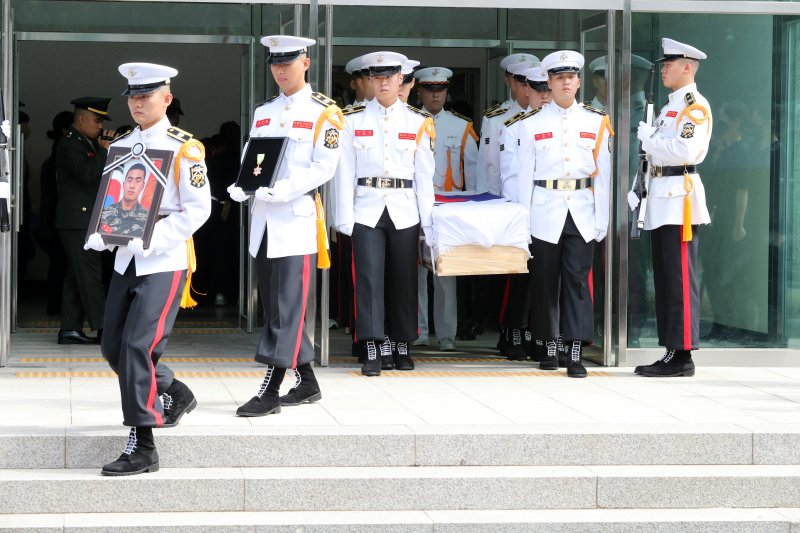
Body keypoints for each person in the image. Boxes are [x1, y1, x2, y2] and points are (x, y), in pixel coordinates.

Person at [84, 63, 210, 475]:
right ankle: (172, 388)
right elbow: (116, 198)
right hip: (126, 258)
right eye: (133, 96)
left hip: (164, 258)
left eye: (146, 95)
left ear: (166, 98)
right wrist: (102, 232)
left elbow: (198, 209)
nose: (138, 102)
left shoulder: (183, 147)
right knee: (112, 346)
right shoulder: (123, 144)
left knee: (138, 346)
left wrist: (152, 237)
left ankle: (143, 443)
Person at [227, 35, 343, 415]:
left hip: (295, 221)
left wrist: (285, 190)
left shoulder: (324, 112)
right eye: (275, 62)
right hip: (264, 223)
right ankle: (307, 382)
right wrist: (244, 185)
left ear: (305, 63)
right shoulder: (264, 111)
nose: (280, 69)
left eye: (288, 61)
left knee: (287, 307)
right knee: (277, 309)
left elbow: (325, 166)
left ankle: (270, 389)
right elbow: (253, 155)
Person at [507, 50, 613, 378]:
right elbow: (522, 177)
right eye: (559, 78)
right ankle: (549, 344)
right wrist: (521, 223)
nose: (566, 82)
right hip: (544, 209)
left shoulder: (596, 122)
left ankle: (575, 348)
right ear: (549, 83)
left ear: (579, 81)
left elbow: (603, 176)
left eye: (571, 77)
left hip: (581, 208)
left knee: (577, 282)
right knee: (544, 282)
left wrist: (602, 218)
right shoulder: (531, 125)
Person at [335, 50, 435, 376]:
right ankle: (373, 345)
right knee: (368, 278)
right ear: (369, 81)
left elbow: (424, 177)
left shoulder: (419, 122)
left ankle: (402, 343)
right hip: (366, 207)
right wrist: (343, 218)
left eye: (389, 77)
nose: (383, 82)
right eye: (377, 77)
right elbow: (344, 173)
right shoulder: (352, 119)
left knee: (404, 279)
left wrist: (429, 223)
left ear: (401, 80)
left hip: (405, 208)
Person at [630, 38, 712, 378]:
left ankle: (683, 354)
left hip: (680, 202)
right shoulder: (669, 107)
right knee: (664, 279)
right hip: (661, 198)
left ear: (687, 67)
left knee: (679, 279)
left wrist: (650, 139)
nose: (663, 68)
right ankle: (671, 349)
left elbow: (684, 151)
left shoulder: (695, 106)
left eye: (670, 63)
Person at [414, 66, 479, 352]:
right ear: (420, 91)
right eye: (429, 89)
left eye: (440, 90)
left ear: (447, 92)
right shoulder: (409, 120)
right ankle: (418, 331)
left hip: (447, 208)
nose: (435, 95)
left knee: (446, 276)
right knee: (414, 273)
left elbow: (474, 174)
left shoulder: (460, 126)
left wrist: (473, 209)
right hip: (415, 206)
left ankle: (446, 336)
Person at [54, 97, 115, 345]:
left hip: (82, 218)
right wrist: (103, 149)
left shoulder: (84, 141)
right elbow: (88, 175)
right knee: (90, 275)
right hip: (78, 219)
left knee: (76, 276)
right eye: (97, 120)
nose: (100, 126)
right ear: (82, 119)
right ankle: (104, 329)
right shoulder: (70, 144)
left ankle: (69, 329)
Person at [38, 110, 73, 315]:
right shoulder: (61, 158)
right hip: (59, 220)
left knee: (59, 264)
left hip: (54, 220)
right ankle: (57, 306)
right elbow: (51, 197)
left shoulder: (53, 157)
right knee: (62, 265)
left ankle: (55, 305)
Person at [99, 163, 149, 236]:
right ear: (123, 183)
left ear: (143, 185)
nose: (132, 186)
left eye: (138, 181)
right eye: (129, 180)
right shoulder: (104, 211)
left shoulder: (147, 217)